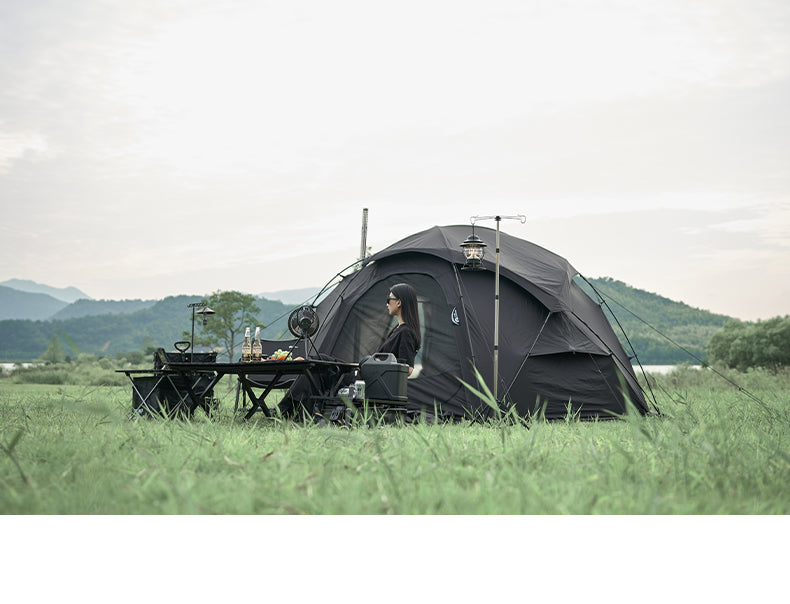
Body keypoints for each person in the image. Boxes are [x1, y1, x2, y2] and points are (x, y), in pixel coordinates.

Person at [378, 282, 421, 376]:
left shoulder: (405, 332)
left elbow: (408, 369)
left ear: (399, 302)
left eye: (388, 300)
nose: (387, 304)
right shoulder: (397, 329)